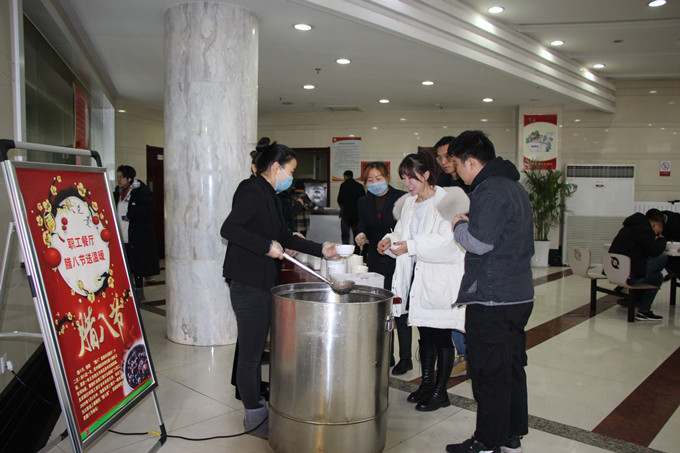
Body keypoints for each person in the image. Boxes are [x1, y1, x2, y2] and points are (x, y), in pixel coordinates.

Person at [221, 141, 340, 438]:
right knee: (250, 355)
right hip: (248, 282)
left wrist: (322, 249)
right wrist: (266, 246)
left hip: (262, 281)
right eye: (291, 170)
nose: (292, 176)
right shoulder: (252, 190)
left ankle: (258, 406)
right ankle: (254, 416)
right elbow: (230, 229)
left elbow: (284, 236)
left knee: (254, 348)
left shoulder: (270, 194)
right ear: (276, 168)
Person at [447, 130, 534, 453]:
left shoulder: (489, 190)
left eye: (457, 164)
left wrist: (459, 225)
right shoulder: (513, 187)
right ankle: (510, 434)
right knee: (510, 367)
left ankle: (486, 441)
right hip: (518, 294)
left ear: (471, 161)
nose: (456, 172)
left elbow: (479, 242)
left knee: (488, 372)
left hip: (492, 297)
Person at [378, 151, 468, 412]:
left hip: (440, 276)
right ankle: (427, 384)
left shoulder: (446, 201)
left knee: (440, 334)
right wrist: (389, 240)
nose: (407, 183)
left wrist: (411, 245)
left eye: (412, 178)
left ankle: (441, 391)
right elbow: (401, 233)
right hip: (417, 275)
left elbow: (448, 241)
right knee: (424, 332)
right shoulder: (409, 203)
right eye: (404, 178)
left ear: (426, 174)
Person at [355, 162, 410, 375]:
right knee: (382, 308)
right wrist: (361, 234)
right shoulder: (363, 201)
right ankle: (387, 353)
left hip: (397, 257)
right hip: (376, 258)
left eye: (378, 178)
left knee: (400, 307)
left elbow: (406, 228)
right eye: (370, 180)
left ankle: (406, 357)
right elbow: (362, 225)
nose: (374, 183)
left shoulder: (402, 198)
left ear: (387, 177)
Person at [433, 136, 469, 377]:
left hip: (468, 250)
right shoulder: (442, 183)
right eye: (440, 158)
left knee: (465, 305)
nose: (444, 162)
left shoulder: (472, 183)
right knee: (452, 302)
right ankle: (462, 353)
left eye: (448, 156)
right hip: (447, 250)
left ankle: (469, 353)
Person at [608, 209, 667, 321]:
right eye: (658, 231)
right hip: (628, 276)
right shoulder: (645, 230)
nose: (657, 234)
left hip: (614, 271)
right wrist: (661, 240)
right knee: (662, 258)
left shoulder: (628, 228)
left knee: (657, 277)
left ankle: (643, 311)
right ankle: (643, 310)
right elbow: (654, 251)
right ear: (654, 225)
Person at [113, 165, 160, 302]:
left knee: (137, 263)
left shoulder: (140, 191)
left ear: (129, 178)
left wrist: (131, 214)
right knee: (125, 263)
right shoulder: (117, 192)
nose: (118, 180)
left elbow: (148, 208)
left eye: (121, 177)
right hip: (121, 233)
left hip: (136, 234)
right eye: (117, 177)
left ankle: (139, 289)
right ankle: (126, 288)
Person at [337, 170, 366, 244]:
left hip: (345, 214)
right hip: (356, 215)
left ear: (345, 176)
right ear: (352, 176)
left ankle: (345, 249)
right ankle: (357, 250)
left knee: (345, 235)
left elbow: (339, 200)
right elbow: (364, 200)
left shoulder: (343, 185)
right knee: (357, 235)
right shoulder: (359, 186)